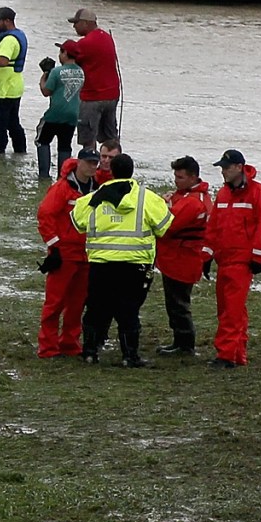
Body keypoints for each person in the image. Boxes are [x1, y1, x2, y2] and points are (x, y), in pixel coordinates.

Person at [73, 153, 171, 367]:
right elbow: (164, 226)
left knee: (96, 309)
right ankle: (130, 356)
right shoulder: (147, 197)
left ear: (111, 171)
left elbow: (77, 221)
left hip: (101, 264)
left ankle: (89, 352)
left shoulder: (95, 196)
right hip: (135, 265)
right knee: (129, 311)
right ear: (132, 171)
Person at [202, 149, 261, 368]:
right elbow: (213, 226)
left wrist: (257, 256)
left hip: (242, 261)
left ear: (239, 167)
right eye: (222, 167)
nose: (222, 172)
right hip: (225, 260)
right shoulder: (223, 194)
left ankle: (226, 355)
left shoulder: (257, 192)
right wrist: (207, 254)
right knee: (229, 309)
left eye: (226, 167)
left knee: (232, 310)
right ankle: (237, 354)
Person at [155, 156, 213, 356]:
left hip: (181, 259)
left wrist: (165, 204)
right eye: (175, 176)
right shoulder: (194, 197)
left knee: (178, 304)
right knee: (177, 302)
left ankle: (185, 344)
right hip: (179, 257)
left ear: (193, 177)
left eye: (179, 177)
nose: (175, 181)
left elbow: (167, 225)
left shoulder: (192, 203)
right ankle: (181, 341)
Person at [36, 157, 93, 358]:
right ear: (79, 163)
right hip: (65, 253)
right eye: (89, 162)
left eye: (95, 163)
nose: (93, 166)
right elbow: (45, 215)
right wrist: (54, 245)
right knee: (55, 303)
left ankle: (70, 344)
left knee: (77, 304)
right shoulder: (62, 188)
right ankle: (48, 347)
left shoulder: (96, 187)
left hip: (87, 254)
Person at [58, 8, 122, 154]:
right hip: (112, 94)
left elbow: (70, 62)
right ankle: (114, 163)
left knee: (88, 136)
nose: (74, 26)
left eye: (76, 23)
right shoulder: (107, 37)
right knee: (110, 136)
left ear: (86, 23)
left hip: (93, 96)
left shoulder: (86, 43)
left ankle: (90, 162)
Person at [0, 7, 28, 160]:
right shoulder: (17, 35)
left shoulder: (8, 40)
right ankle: (20, 154)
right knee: (14, 124)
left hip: (4, 89)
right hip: (14, 87)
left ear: (7, 21)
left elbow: (2, 60)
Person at [34, 55, 81, 182]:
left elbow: (46, 91)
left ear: (65, 53)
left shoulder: (56, 72)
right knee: (65, 146)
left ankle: (44, 175)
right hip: (73, 115)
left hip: (54, 114)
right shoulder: (81, 72)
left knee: (42, 140)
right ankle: (63, 176)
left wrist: (44, 77)